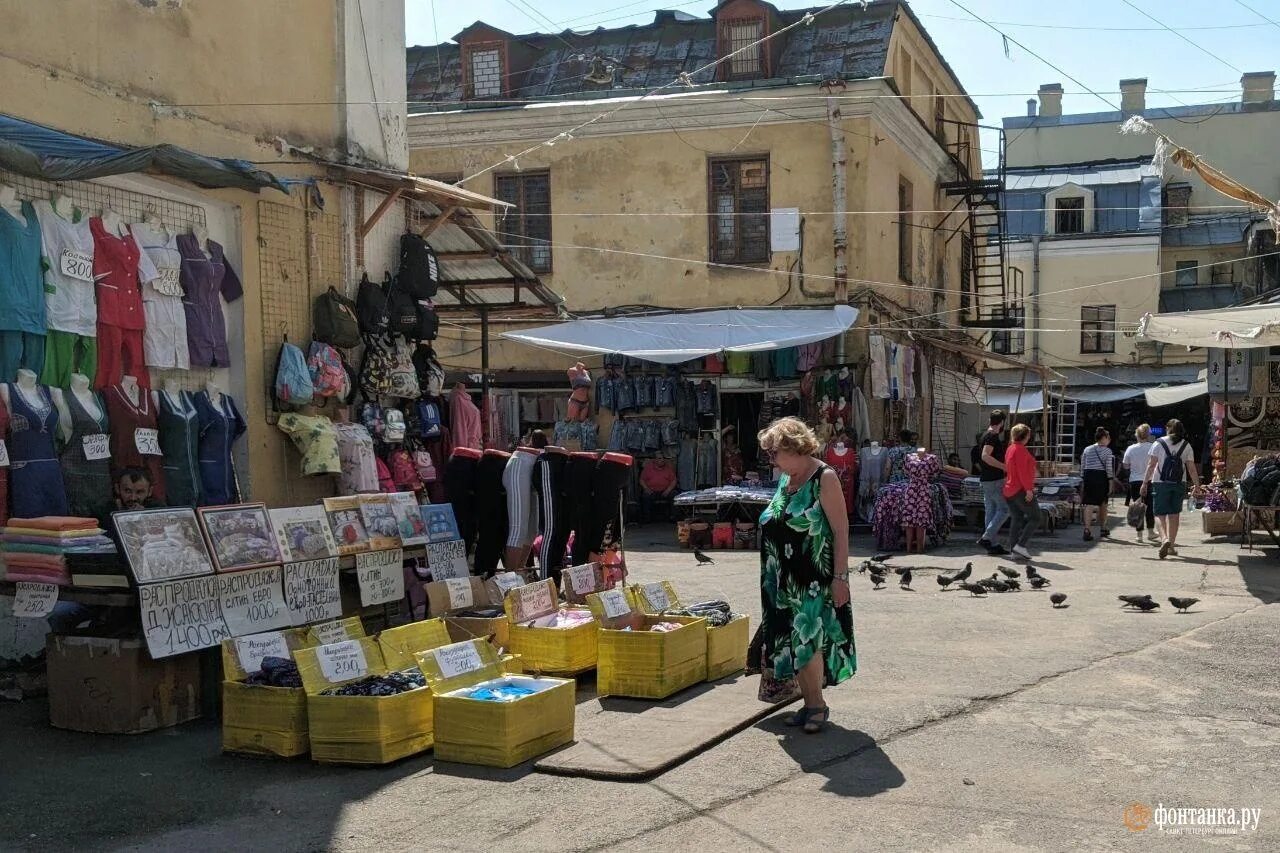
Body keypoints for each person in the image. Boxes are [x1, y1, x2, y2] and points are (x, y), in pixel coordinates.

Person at [757, 417, 856, 734]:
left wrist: (841, 578)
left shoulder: (823, 478)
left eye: (774, 453)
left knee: (807, 641)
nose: (772, 461)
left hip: (812, 578)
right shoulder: (788, 479)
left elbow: (841, 531)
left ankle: (817, 706)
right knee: (790, 640)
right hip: (780, 578)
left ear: (793, 447)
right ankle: (809, 702)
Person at [1141, 418, 1201, 559]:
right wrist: (1197, 485)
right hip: (1179, 483)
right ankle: (1172, 547)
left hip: (1160, 483)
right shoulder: (1186, 445)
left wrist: (1144, 483)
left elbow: (1151, 465)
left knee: (1159, 514)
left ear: (1168, 428)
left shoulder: (1158, 443)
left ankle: (1164, 539)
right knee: (1174, 515)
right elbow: (1191, 468)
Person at [1002, 423, 1040, 561]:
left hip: (1009, 489)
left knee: (1017, 519)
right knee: (1036, 517)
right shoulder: (1021, 450)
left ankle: (1014, 550)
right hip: (1020, 490)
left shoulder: (1010, 449)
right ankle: (1020, 546)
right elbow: (1023, 473)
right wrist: (1029, 490)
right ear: (1026, 436)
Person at [977, 410, 1010, 556]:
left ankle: (992, 544)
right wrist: (1004, 467)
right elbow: (985, 456)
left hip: (986, 479)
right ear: (1002, 422)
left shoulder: (984, 434)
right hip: (995, 479)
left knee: (991, 510)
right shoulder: (992, 436)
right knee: (1004, 509)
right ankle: (987, 537)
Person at [1080, 427, 1120, 541]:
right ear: (1104, 438)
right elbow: (1108, 468)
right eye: (1108, 437)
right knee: (1103, 503)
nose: (1110, 440)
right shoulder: (1107, 451)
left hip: (1088, 476)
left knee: (1088, 503)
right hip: (1101, 477)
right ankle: (1103, 528)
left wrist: (1083, 479)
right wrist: (1111, 481)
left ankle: (1087, 529)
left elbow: (1083, 466)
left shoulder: (1087, 449)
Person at [1122, 424, 1156, 542]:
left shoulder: (1131, 448)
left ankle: (1139, 535)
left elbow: (1125, 465)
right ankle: (1151, 532)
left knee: (1138, 507)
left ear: (1137, 435)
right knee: (1149, 507)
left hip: (1135, 481)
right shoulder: (1153, 447)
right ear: (1148, 435)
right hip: (1150, 480)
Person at [638, 456, 678, 523]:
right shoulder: (648, 468)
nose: (662, 460)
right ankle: (646, 518)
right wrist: (647, 489)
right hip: (652, 491)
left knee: (674, 494)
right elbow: (641, 480)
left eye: (663, 458)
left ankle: (673, 517)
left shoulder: (668, 468)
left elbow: (674, 480)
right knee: (645, 496)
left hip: (665, 491)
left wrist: (668, 490)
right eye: (660, 458)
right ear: (655, 460)